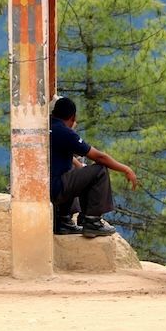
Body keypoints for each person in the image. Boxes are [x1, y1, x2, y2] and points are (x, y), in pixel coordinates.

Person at [49, 96, 138, 236]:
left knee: (73, 170)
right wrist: (126, 169)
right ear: (72, 118)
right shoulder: (64, 132)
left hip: (43, 188)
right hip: (55, 190)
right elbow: (99, 157)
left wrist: (81, 168)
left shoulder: (46, 127)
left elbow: (64, 156)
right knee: (99, 170)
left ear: (54, 113)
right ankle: (92, 222)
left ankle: (63, 221)